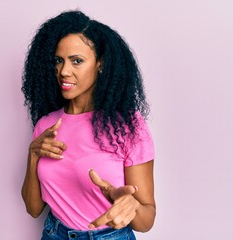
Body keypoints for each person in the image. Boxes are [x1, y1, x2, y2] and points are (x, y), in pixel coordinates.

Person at [21, 10, 155, 240]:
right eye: (58, 60)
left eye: (77, 61)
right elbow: (34, 209)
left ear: (100, 65)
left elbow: (146, 220)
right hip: (55, 234)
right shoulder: (46, 124)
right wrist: (33, 155)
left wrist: (129, 204)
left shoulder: (128, 126)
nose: (64, 71)